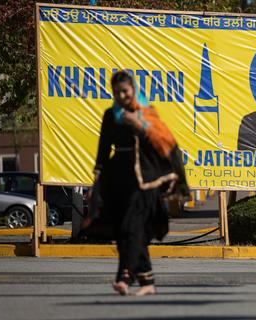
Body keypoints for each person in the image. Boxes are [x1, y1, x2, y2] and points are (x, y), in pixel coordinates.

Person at [82, 70, 189, 296]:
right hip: (118, 179)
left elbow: (166, 144)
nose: (122, 96)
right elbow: (103, 150)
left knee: (132, 227)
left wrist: (139, 126)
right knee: (125, 231)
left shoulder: (146, 113)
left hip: (145, 181)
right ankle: (147, 281)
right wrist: (97, 180)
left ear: (133, 90)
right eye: (117, 92)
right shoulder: (111, 115)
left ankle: (124, 277)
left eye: (125, 91)